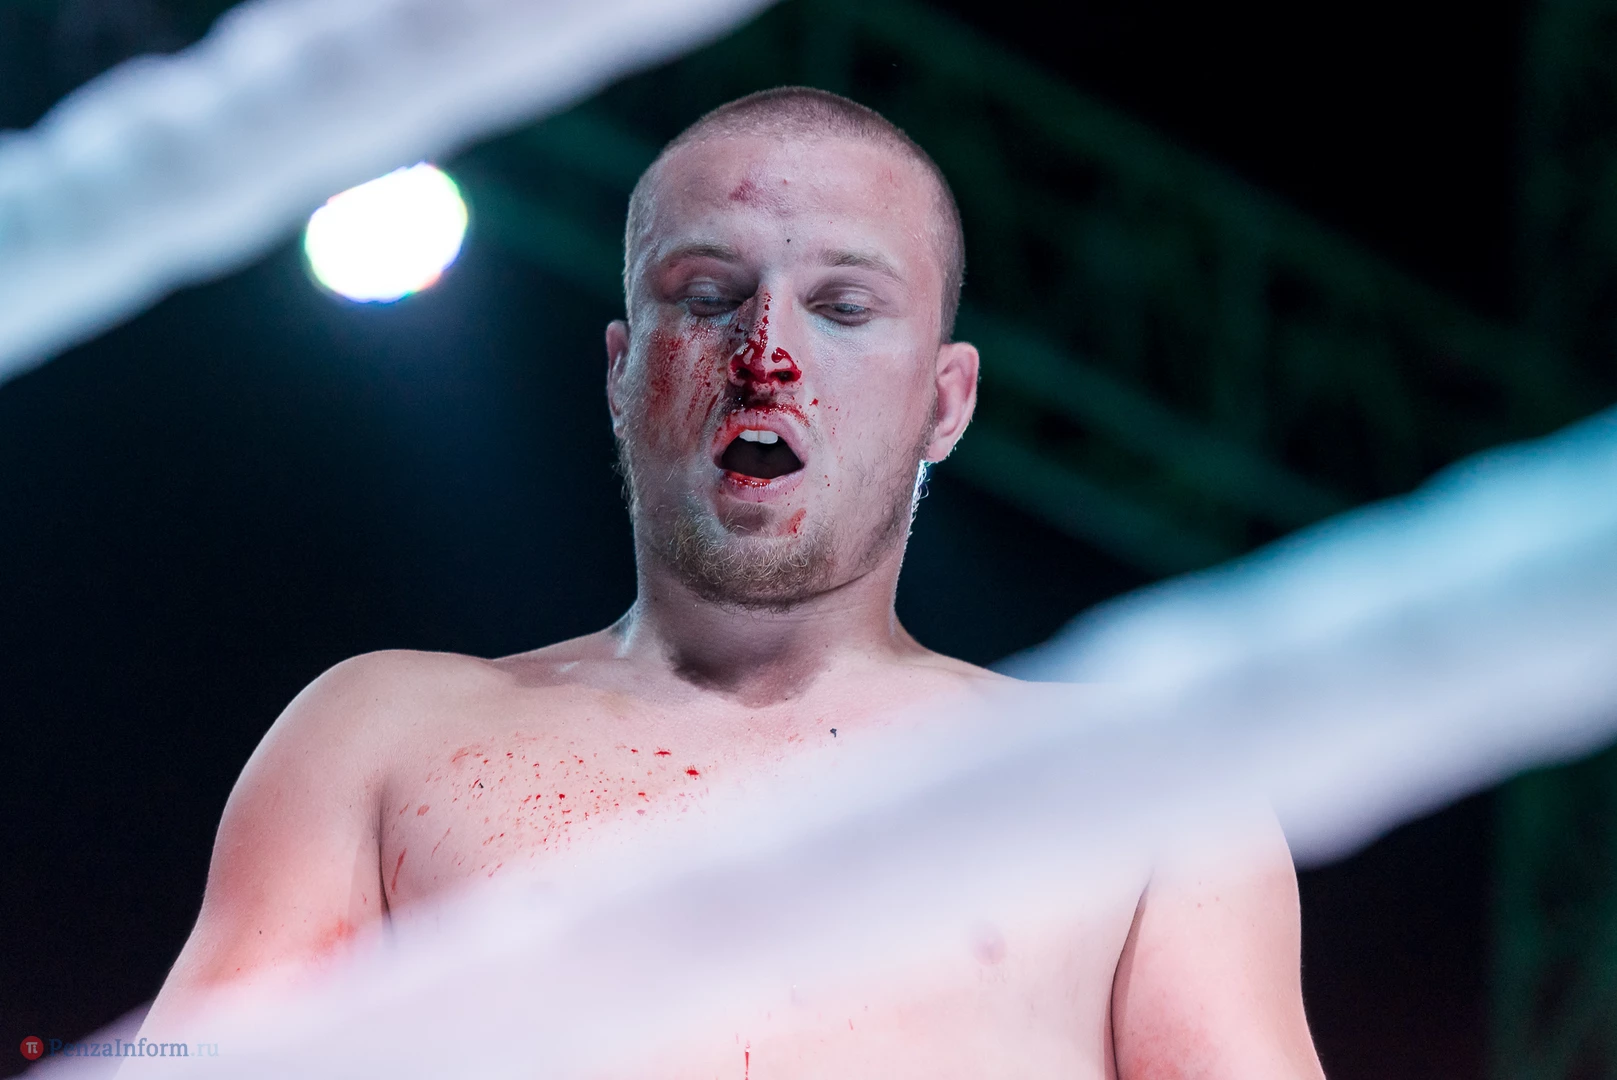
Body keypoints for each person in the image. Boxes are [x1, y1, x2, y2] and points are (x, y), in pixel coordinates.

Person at [140, 87, 1325, 1077]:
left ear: (946, 400)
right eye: (708, 296)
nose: (768, 357)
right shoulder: (379, 735)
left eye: (843, 307)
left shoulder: (1147, 799)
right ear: (621, 373)